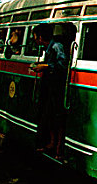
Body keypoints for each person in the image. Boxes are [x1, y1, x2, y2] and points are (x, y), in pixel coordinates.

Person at [30, 24, 68, 160]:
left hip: (57, 87)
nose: (35, 40)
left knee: (57, 116)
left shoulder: (56, 46)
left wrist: (44, 66)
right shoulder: (48, 48)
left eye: (35, 36)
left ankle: (59, 148)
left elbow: (62, 65)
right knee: (49, 116)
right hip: (49, 86)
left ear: (40, 37)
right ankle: (52, 143)